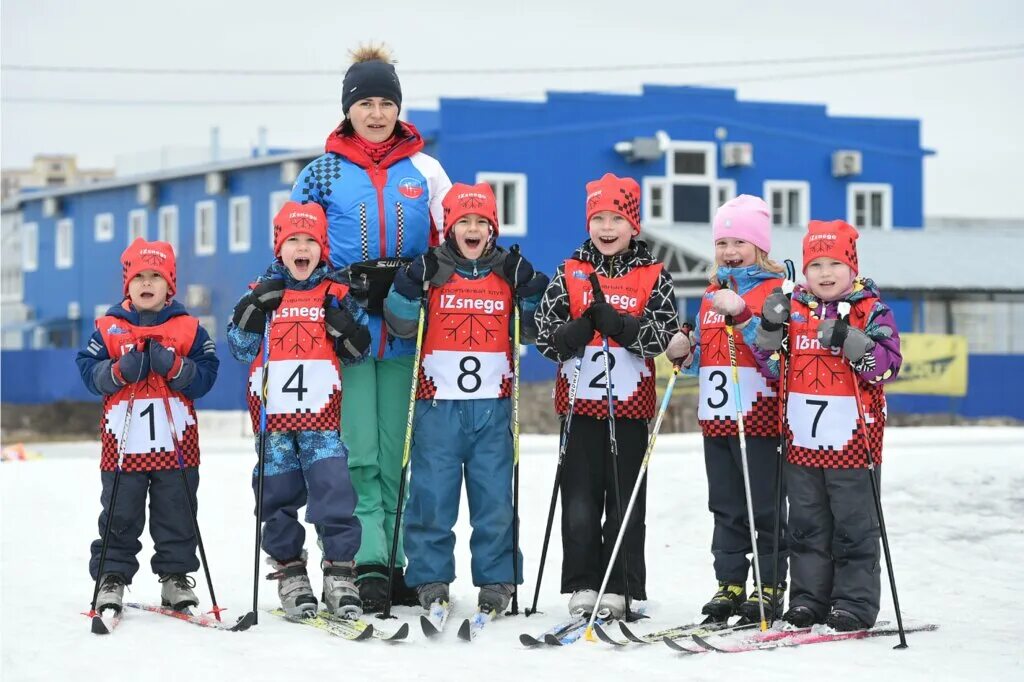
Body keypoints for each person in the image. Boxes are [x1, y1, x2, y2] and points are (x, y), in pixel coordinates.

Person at [290, 44, 452, 610]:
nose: (378, 114)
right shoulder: (322, 172)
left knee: (399, 450)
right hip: (348, 333)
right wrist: (321, 309)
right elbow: (295, 248)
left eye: (387, 103)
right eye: (367, 104)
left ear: (399, 108)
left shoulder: (425, 170)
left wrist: (423, 278)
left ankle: (402, 561)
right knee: (358, 451)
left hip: (409, 330)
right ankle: (367, 562)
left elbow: (452, 242)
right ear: (348, 110)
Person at [382, 183, 548, 614]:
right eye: (463, 222)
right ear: (449, 227)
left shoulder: (506, 270)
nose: (472, 229)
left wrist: (529, 290)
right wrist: (406, 286)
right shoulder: (433, 270)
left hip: (493, 407)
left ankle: (498, 578)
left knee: (494, 498)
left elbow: (531, 330)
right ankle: (430, 577)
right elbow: (401, 327)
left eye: (481, 222)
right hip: (437, 407)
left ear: (492, 229)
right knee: (431, 496)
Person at [535, 173, 678, 618]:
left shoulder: (654, 274)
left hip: (630, 409)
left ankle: (620, 582)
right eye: (598, 217)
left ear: (634, 224)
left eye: (617, 217)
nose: (607, 226)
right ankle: (582, 582)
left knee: (624, 500)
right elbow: (542, 335)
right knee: (578, 501)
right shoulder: (569, 271)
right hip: (579, 408)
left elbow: (665, 336)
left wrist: (623, 327)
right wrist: (571, 334)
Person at [752, 219, 901, 631]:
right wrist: (769, 326)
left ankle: (853, 602)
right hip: (802, 441)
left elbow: (887, 368)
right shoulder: (794, 309)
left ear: (851, 267)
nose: (825, 273)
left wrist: (854, 341)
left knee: (854, 525)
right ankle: (808, 599)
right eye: (815, 264)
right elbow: (770, 365)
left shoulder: (871, 309)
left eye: (834, 263)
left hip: (853, 444)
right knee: (806, 526)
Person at [227, 201, 371, 618]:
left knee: (334, 491)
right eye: (293, 240)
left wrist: (342, 324)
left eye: (310, 239)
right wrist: (255, 308)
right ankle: (290, 572)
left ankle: (340, 572)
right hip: (274, 423)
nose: (302, 247)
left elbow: (358, 354)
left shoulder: (335, 293)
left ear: (322, 247)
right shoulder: (260, 290)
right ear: (280, 247)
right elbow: (239, 348)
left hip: (321, 422)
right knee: (277, 495)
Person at [76, 238, 219, 615]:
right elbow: (88, 372)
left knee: (177, 509)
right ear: (128, 284)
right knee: (120, 511)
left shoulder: (188, 329)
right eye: (139, 276)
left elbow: (206, 374)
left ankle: (175, 577)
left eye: (156, 275)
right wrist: (117, 372)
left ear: (169, 283)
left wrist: (176, 368)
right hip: (124, 443)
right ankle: (112, 577)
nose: (147, 283)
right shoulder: (108, 329)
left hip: (176, 442)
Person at [665, 195, 789, 622]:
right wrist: (683, 351)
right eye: (722, 243)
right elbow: (705, 358)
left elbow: (777, 356)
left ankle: (770, 583)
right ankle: (730, 581)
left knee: (764, 505)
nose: (730, 252)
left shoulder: (778, 293)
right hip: (718, 419)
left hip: (759, 418)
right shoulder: (710, 293)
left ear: (760, 246)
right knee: (726, 504)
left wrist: (744, 316)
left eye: (740, 242)